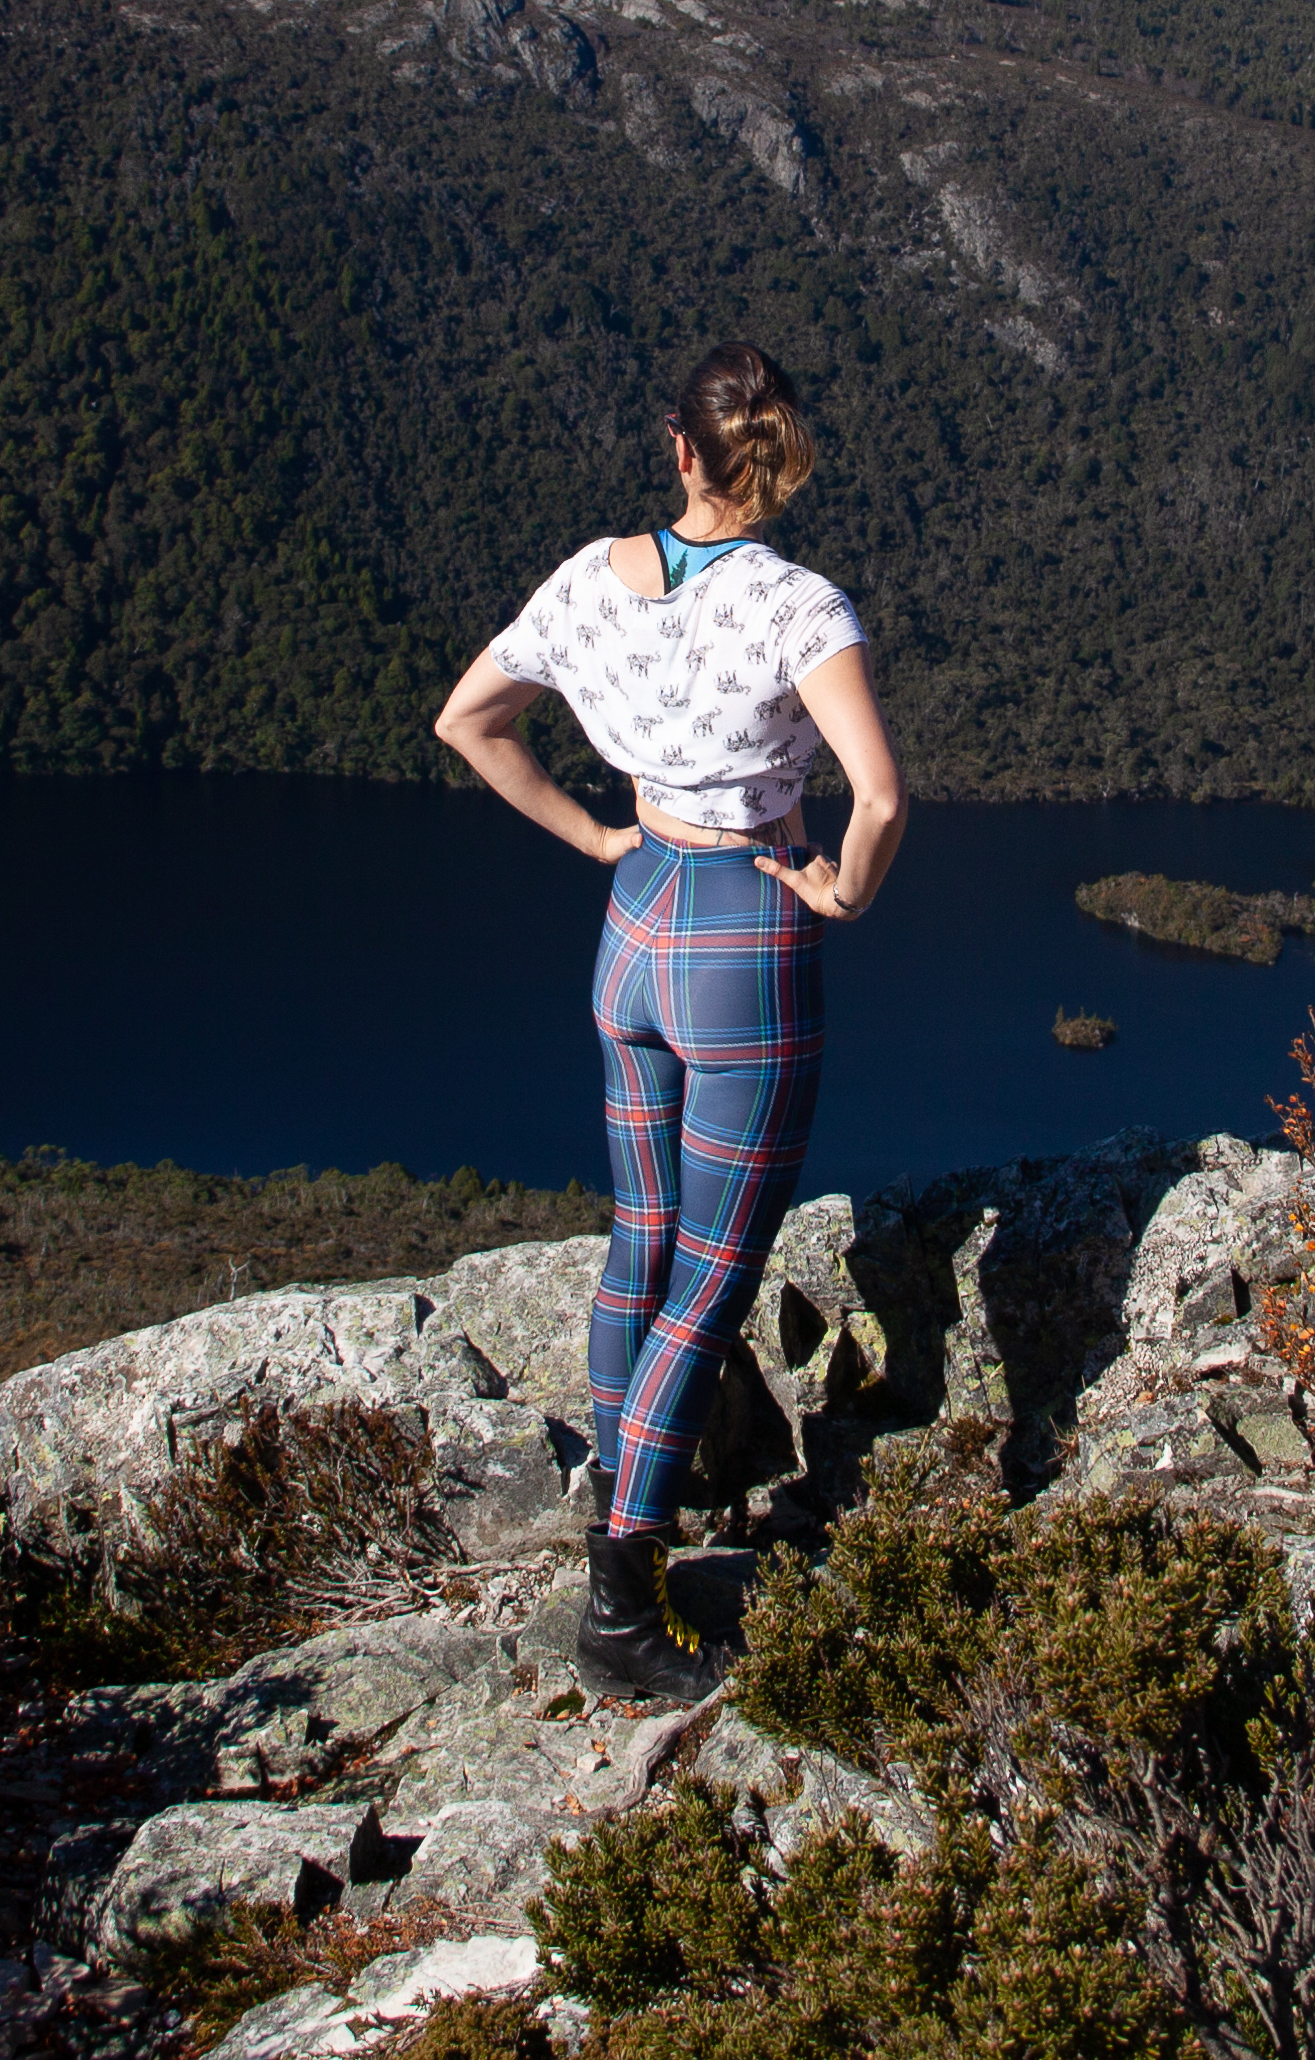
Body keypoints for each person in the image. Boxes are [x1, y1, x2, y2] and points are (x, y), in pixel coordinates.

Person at [431, 342, 907, 1704]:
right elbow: (877, 799)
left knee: (641, 1242)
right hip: (745, 936)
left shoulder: (591, 576)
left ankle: (630, 1488)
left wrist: (592, 831)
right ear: (777, 453)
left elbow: (471, 719)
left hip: (633, 920)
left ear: (681, 450)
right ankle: (624, 1593)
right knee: (714, 1270)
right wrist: (843, 893)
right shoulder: (801, 607)